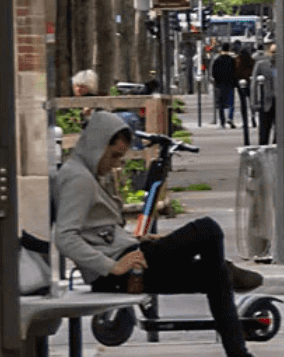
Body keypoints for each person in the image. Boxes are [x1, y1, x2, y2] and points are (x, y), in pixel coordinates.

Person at [52, 112, 265, 356]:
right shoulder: (78, 179)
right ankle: (228, 284)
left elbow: (99, 231)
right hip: (120, 271)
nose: (114, 164)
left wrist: (137, 240)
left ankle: (237, 347)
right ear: (96, 145)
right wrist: (112, 266)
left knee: (213, 276)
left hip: (131, 255)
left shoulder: (87, 174)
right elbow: (65, 237)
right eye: (113, 156)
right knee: (208, 230)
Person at [248, 61, 278, 147]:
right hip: (265, 102)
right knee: (264, 132)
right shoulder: (261, 65)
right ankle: (264, 151)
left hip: (281, 102)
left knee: (280, 132)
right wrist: (253, 102)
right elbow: (254, 84)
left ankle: (277, 152)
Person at [210, 45, 239, 129]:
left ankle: (222, 121)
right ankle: (230, 118)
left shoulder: (217, 59)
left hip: (219, 84)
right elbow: (235, 71)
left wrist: (216, 81)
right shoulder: (231, 59)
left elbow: (213, 72)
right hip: (230, 84)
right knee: (231, 103)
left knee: (221, 104)